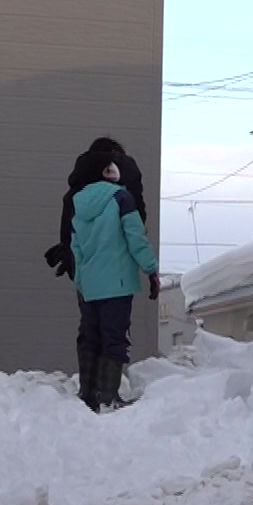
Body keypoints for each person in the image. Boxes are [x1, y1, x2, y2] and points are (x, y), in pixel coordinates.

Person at [67, 149, 159, 409]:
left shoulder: (79, 204)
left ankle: (88, 394)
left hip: (90, 286)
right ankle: (108, 397)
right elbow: (136, 239)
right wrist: (151, 270)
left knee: (91, 337)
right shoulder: (121, 199)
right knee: (114, 339)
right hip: (117, 285)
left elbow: (77, 249)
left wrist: (81, 283)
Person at [45, 137, 145, 279]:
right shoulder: (126, 191)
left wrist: (68, 254)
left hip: (86, 267)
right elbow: (138, 224)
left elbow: (68, 227)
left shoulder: (77, 192)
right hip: (118, 267)